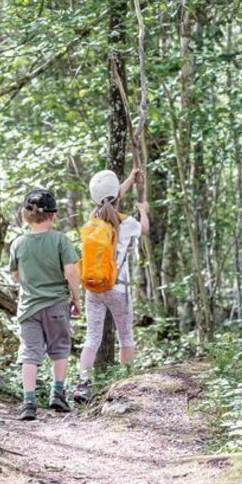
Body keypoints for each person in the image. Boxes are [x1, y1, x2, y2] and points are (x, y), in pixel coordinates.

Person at [74, 169, 149, 403]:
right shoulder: (126, 223)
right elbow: (144, 229)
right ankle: (127, 384)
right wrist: (143, 211)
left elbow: (111, 198)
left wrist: (129, 179)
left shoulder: (92, 221)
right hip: (118, 288)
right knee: (126, 336)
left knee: (92, 337)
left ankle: (82, 383)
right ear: (117, 197)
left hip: (93, 288)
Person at [9, 189, 82, 421]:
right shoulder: (60, 240)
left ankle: (28, 401)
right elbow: (71, 272)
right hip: (56, 304)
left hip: (28, 307)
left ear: (25, 216)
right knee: (60, 348)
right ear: (54, 215)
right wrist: (76, 299)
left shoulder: (18, 243)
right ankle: (57, 394)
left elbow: (15, 276)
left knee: (30, 353)